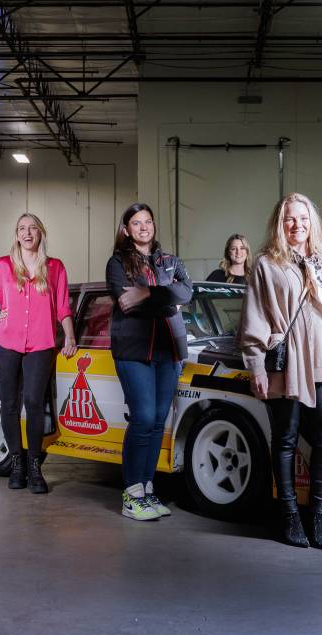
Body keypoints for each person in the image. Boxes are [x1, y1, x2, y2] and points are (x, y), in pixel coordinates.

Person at [240, 193, 322, 550]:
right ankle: (290, 515)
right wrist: (256, 366)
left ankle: (318, 516)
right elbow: (255, 317)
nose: (297, 225)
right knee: (286, 437)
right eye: (290, 219)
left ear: (313, 223)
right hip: (286, 360)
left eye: (303, 218)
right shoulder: (267, 263)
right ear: (280, 224)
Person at [0, 213, 77, 494]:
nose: (27, 233)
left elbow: (63, 307)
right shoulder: (3, 266)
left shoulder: (55, 267)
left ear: (41, 233)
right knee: (9, 403)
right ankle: (16, 463)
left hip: (41, 345)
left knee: (34, 401)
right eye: (21, 229)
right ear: (16, 235)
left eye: (32, 229)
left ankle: (34, 465)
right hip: (6, 344)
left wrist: (70, 335)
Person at [106, 203, 192, 521]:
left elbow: (187, 292)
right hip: (134, 351)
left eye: (149, 222)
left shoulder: (170, 260)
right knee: (142, 418)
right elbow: (127, 303)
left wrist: (147, 293)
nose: (144, 227)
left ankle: (146, 487)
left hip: (169, 350)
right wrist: (164, 298)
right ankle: (131, 494)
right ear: (126, 229)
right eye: (137, 223)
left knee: (158, 421)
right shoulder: (117, 263)